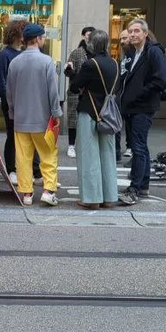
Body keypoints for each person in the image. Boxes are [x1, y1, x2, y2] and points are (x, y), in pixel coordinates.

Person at [5, 23, 61, 207]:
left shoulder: (15, 62)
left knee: (23, 157)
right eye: (43, 37)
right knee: (48, 154)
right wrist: (56, 112)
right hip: (42, 119)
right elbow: (53, 91)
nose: (44, 40)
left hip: (21, 119)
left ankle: (26, 193)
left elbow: (9, 92)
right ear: (37, 39)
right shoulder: (46, 61)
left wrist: (12, 112)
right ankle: (48, 190)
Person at [119, 18, 166, 206]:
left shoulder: (153, 52)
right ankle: (143, 184)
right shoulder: (132, 52)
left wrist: (139, 94)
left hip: (144, 106)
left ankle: (135, 188)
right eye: (130, 31)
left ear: (145, 34)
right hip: (132, 106)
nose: (132, 34)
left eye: (136, 31)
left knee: (137, 147)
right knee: (140, 146)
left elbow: (160, 80)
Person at [70, 30, 119, 209]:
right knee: (108, 155)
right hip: (109, 114)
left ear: (91, 44)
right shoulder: (115, 63)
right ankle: (109, 197)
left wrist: (71, 73)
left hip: (90, 112)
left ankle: (91, 199)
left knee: (89, 155)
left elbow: (76, 87)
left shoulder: (90, 64)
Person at [0, 17, 38, 185]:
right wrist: (10, 100)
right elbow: (1, 82)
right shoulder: (5, 55)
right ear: (17, 34)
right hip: (12, 102)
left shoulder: (22, 54)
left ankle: (31, 170)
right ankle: (12, 169)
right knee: (13, 136)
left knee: (29, 137)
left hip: (26, 101)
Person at [62, 26, 95, 160]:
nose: (89, 37)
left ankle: (85, 145)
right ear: (83, 36)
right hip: (76, 91)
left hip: (91, 92)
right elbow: (67, 70)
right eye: (88, 35)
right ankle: (71, 145)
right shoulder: (76, 53)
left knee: (88, 119)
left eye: (92, 35)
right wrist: (75, 76)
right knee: (73, 119)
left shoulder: (97, 53)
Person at [115, 28, 134, 159]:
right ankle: (117, 150)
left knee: (131, 123)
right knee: (118, 121)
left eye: (125, 38)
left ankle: (130, 147)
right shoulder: (125, 55)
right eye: (121, 38)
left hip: (132, 94)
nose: (122, 41)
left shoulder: (137, 54)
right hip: (121, 93)